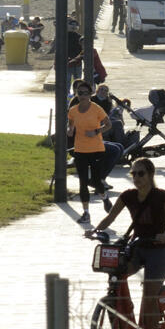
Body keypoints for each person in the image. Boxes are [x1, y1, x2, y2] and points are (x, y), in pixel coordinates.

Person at [86, 157, 165, 329]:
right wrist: (94, 230)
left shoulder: (163, 196)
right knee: (116, 277)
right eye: (133, 173)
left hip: (160, 251)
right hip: (137, 247)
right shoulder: (128, 196)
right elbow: (110, 217)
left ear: (151, 174)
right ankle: (120, 327)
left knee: (150, 294)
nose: (136, 177)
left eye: (140, 173)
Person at [68, 80, 111, 224]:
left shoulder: (96, 108)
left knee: (96, 182)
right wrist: (69, 131)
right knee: (83, 182)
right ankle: (86, 213)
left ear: (90, 94)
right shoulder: (73, 110)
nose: (83, 96)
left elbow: (108, 124)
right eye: (80, 93)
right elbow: (71, 127)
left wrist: (96, 131)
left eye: (86, 93)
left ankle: (104, 197)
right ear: (77, 94)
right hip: (80, 149)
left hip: (96, 149)